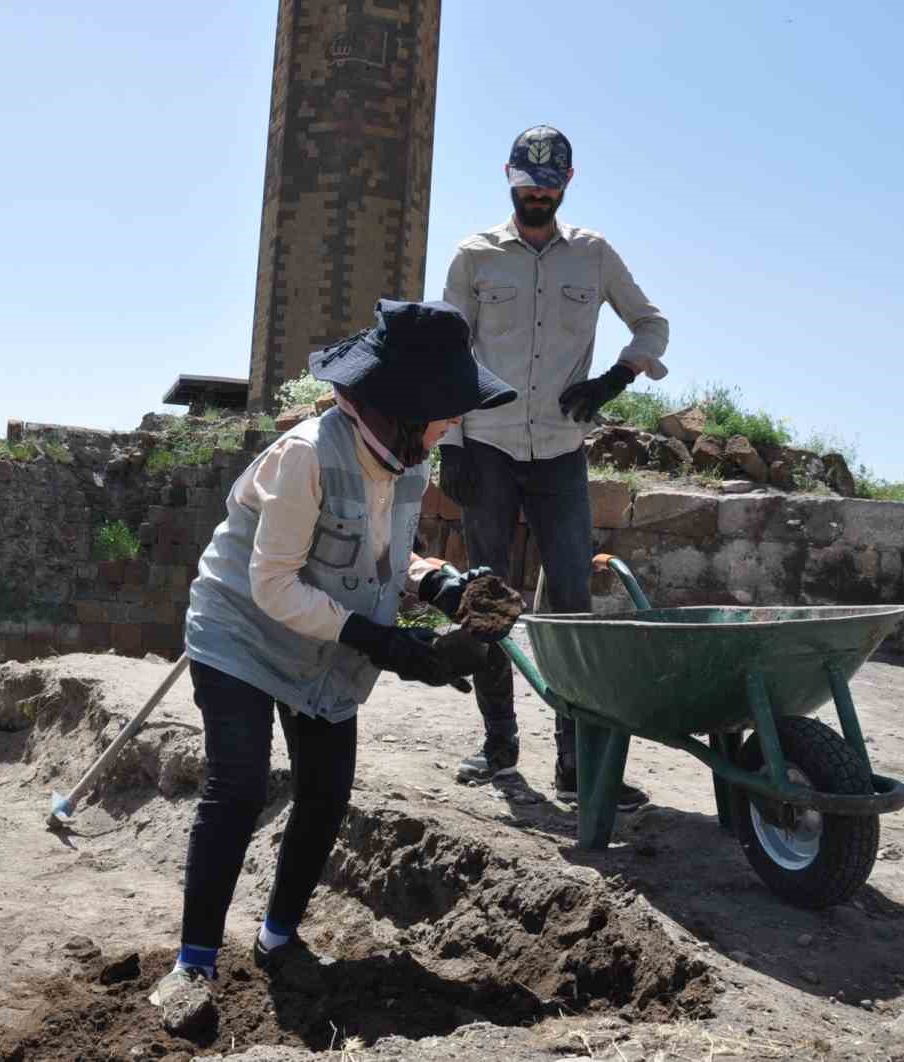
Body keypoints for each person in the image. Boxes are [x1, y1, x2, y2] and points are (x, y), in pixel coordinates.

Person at [150, 299, 516, 1014]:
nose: (454, 423)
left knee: (326, 791)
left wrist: (439, 586)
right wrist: (387, 644)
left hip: (325, 643)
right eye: (449, 409)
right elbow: (274, 584)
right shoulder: (306, 456)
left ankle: (278, 938)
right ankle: (193, 964)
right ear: (409, 406)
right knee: (239, 788)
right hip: (242, 633)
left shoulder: (407, 464)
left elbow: (384, 552)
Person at [439, 124, 669, 807]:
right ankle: (499, 744)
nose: (536, 199)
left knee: (573, 603)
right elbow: (450, 354)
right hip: (487, 446)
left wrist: (614, 381)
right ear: (507, 178)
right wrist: (450, 446)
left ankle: (576, 762)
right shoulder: (473, 256)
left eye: (548, 189)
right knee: (488, 595)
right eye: (525, 188)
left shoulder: (594, 256)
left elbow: (651, 324)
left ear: (566, 185)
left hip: (562, 453)